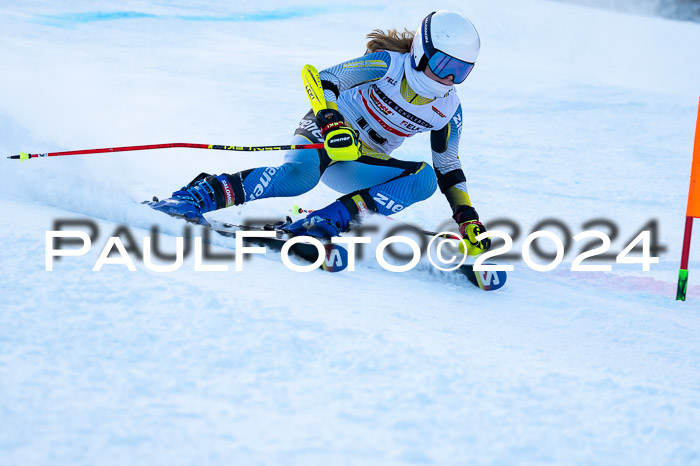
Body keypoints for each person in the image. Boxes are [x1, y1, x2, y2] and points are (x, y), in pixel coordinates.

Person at [150, 10, 491, 256]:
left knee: (425, 179)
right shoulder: (388, 64)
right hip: (324, 131)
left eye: (462, 71)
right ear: (421, 53)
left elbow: (448, 167)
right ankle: (196, 197)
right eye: (444, 65)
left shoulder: (448, 108)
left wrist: (466, 217)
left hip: (360, 158)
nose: (449, 78)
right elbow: (321, 78)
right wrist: (332, 122)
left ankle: (323, 223)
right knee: (299, 178)